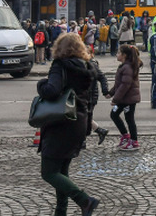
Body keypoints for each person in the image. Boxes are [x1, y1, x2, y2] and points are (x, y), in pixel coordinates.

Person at [36, 32, 100, 216]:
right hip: (78, 122)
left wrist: (41, 84)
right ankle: (60, 212)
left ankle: (84, 200)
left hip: (60, 123)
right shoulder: (87, 66)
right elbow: (89, 98)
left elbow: (51, 90)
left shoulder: (60, 65)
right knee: (62, 172)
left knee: (49, 172)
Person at [108, 44, 142, 150]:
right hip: (124, 98)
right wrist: (111, 93)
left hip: (128, 99)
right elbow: (119, 84)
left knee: (129, 118)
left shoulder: (127, 67)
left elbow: (125, 85)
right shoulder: (124, 66)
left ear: (124, 55)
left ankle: (133, 141)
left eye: (118, 53)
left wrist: (115, 99)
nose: (116, 55)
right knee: (114, 114)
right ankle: (126, 136)